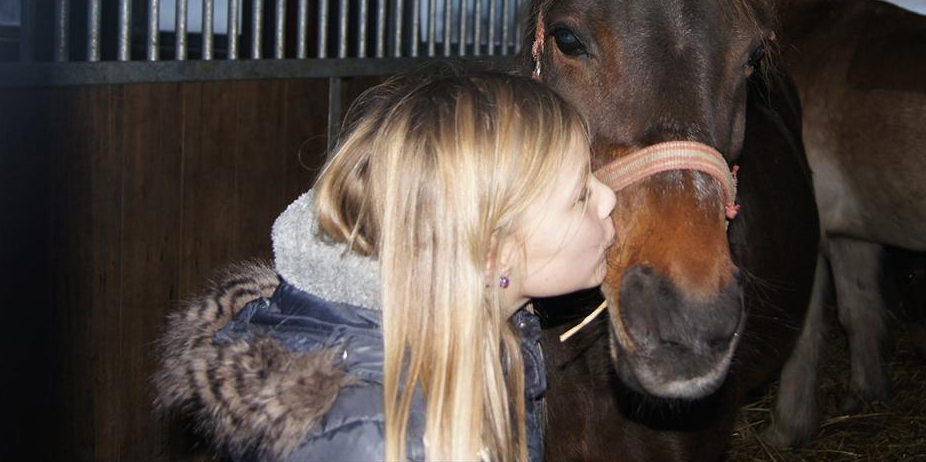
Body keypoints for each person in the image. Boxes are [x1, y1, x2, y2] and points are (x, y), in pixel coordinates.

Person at [154, 70, 616, 462]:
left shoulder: (494, 341)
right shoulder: (378, 434)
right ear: (491, 252)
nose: (609, 197)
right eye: (580, 195)